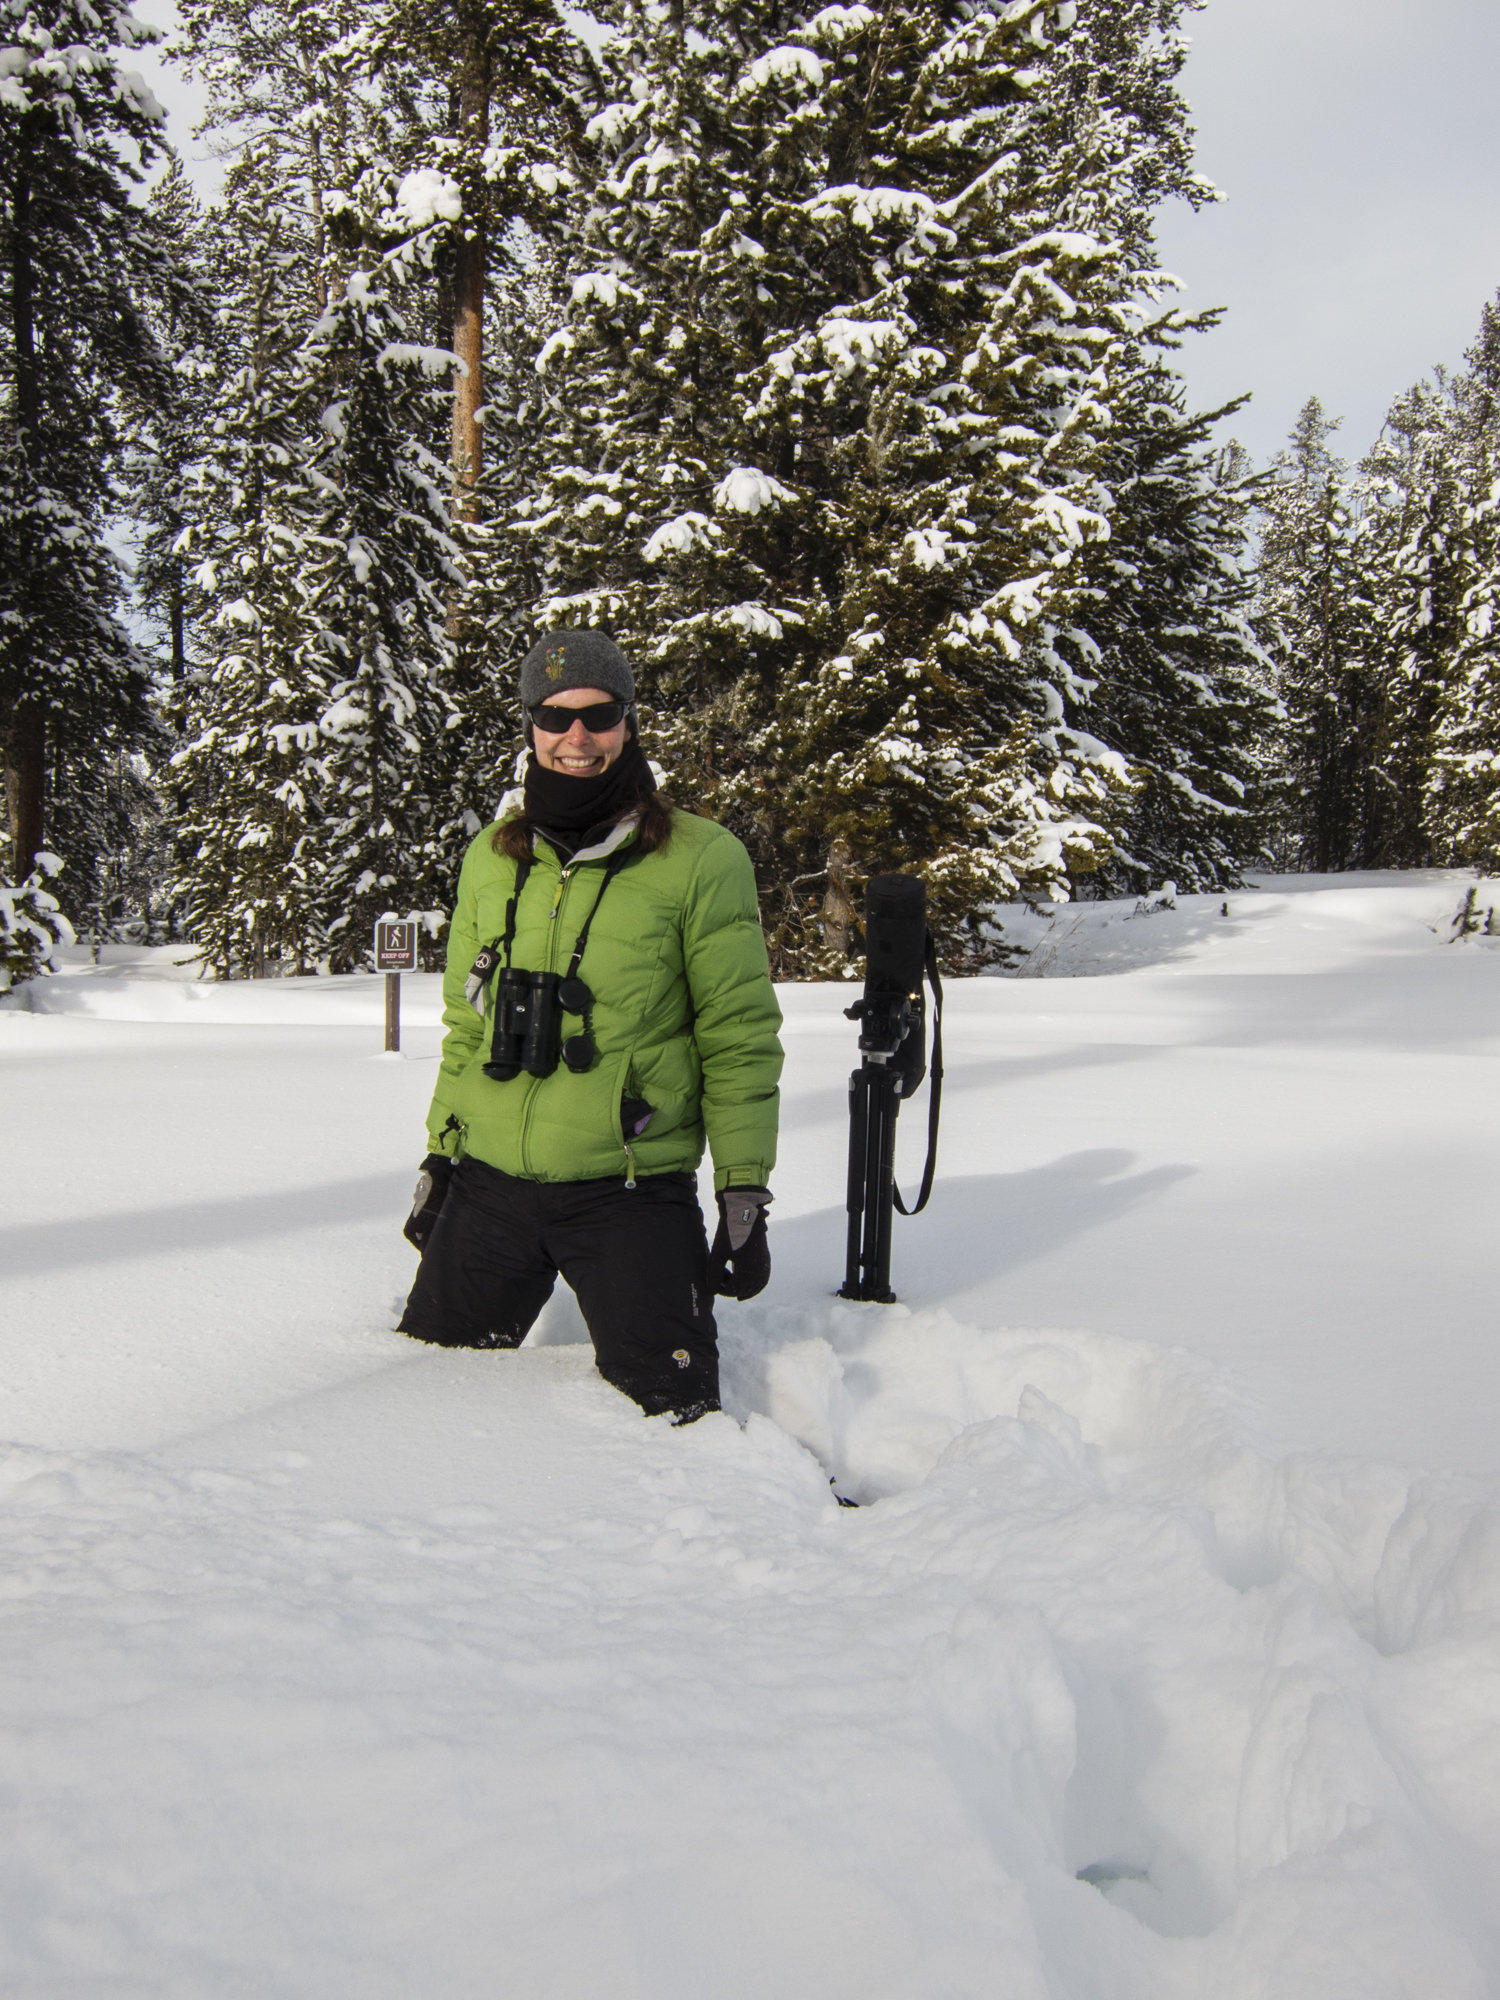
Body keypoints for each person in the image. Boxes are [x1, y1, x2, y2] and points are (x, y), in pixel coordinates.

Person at [398, 629, 783, 1423]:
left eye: (599, 715)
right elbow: (466, 1027)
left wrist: (742, 1189)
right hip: (490, 1188)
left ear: (628, 723)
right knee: (421, 1399)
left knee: (671, 1415)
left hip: (629, 1190)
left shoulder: (702, 859)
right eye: (555, 715)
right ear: (532, 727)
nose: (577, 736)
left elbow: (737, 1033)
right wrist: (442, 1154)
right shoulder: (491, 858)